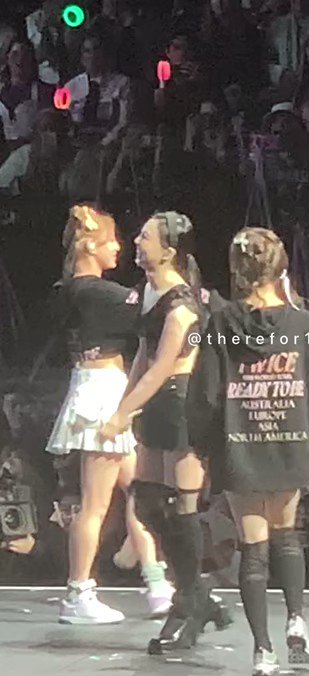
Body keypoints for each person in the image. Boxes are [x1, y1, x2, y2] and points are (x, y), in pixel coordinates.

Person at [187, 227, 309, 676]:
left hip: (240, 446)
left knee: (253, 548)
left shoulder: (220, 324)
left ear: (237, 269)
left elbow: (206, 394)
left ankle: (263, 650)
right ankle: (296, 619)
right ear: (281, 267)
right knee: (286, 535)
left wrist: (202, 447)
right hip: (291, 442)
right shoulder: (303, 324)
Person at [101, 211, 231, 654]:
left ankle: (189, 600)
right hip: (154, 407)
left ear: (169, 250)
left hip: (180, 405)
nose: (137, 241)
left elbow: (162, 367)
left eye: (145, 236)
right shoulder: (147, 293)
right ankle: (196, 591)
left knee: (181, 504)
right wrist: (125, 407)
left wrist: (122, 413)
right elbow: (143, 354)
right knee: (148, 500)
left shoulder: (181, 306)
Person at [46, 204, 172, 624]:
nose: (118, 248)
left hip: (106, 386)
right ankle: (78, 592)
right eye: (112, 241)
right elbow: (152, 311)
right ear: (91, 246)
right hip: (101, 394)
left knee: (140, 492)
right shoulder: (94, 292)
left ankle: (156, 582)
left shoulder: (73, 290)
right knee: (96, 504)